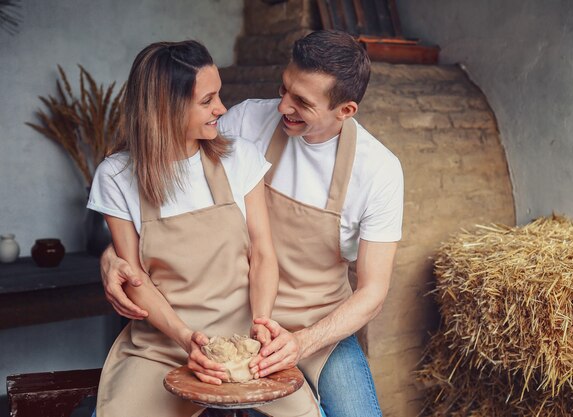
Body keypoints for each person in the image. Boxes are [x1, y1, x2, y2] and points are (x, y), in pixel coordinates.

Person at [100, 30, 403, 417]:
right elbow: (177, 183)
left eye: (302, 102)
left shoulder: (379, 171)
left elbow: (373, 291)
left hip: (318, 322)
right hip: (242, 314)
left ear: (344, 110)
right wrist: (115, 254)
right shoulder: (244, 122)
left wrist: (303, 342)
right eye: (284, 89)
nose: (282, 107)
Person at [87, 40, 321, 416]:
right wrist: (185, 338)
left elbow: (262, 253)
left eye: (219, 95)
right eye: (207, 100)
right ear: (167, 108)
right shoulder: (116, 175)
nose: (221, 109)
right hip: (163, 344)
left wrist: (261, 325)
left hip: (245, 342)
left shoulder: (239, 157)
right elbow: (135, 278)